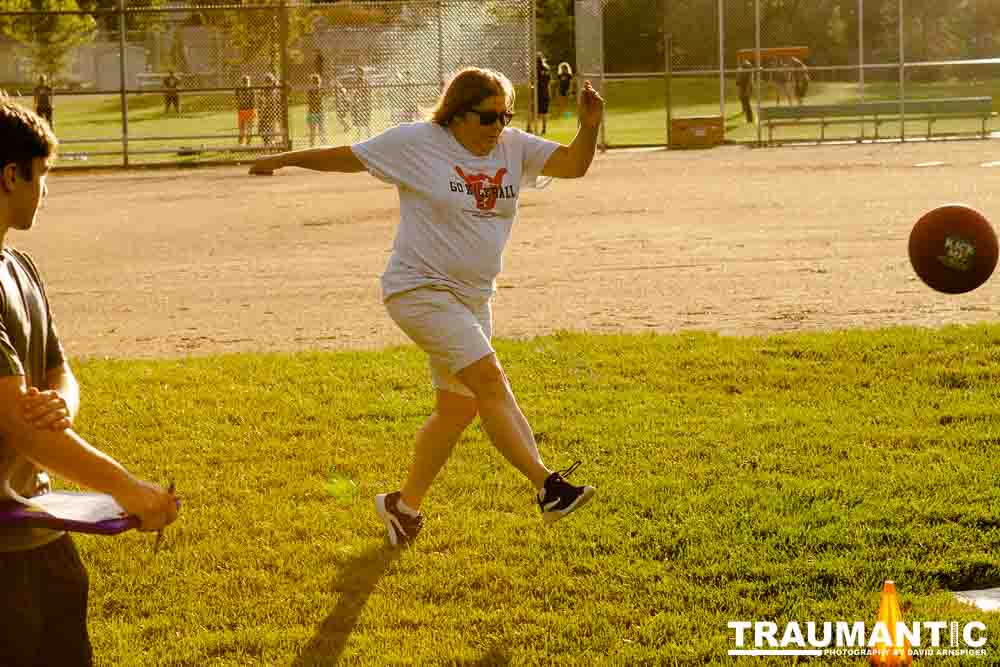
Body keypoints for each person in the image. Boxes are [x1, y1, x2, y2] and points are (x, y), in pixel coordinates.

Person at [248, 67, 603, 546]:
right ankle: (548, 486)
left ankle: (403, 505)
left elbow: (573, 164)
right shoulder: (419, 142)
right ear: (456, 115)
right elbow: (348, 157)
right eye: (487, 117)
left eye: (505, 116)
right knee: (489, 380)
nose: (498, 126)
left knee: (458, 410)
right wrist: (281, 159)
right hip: (419, 290)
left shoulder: (513, 147)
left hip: (473, 298)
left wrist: (590, 125)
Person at [0, 94, 178, 665]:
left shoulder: (19, 267)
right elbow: (19, 426)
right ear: (11, 175)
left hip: (39, 530)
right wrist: (129, 490)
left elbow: (59, 370)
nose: (44, 191)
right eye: (42, 176)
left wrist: (59, 406)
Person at [258, 73, 281, 146]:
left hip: (273, 112)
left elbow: (277, 101)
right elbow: (260, 101)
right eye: (267, 81)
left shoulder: (275, 90)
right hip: (264, 112)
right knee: (261, 129)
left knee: (271, 128)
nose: (268, 83)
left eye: (270, 81)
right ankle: (268, 141)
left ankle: (271, 142)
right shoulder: (263, 90)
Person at [350, 65, 372, 141]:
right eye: (356, 73)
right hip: (358, 104)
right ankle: (359, 138)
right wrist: (354, 101)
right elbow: (353, 93)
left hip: (365, 104)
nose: (357, 74)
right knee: (359, 122)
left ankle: (368, 137)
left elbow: (368, 92)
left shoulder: (365, 81)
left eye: (359, 72)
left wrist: (364, 99)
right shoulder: (355, 82)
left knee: (366, 122)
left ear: (362, 73)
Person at [306, 73, 327, 147]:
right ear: (312, 83)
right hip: (313, 112)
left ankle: (323, 144)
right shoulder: (310, 91)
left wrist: (319, 93)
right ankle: (311, 145)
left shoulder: (321, 89)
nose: (316, 84)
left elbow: (322, 98)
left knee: (321, 130)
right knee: (313, 131)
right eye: (314, 83)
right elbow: (312, 100)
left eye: (317, 82)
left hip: (319, 112)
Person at [235, 75, 256, 146]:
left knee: (247, 128)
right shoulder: (240, 90)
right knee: (243, 129)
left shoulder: (250, 90)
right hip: (244, 110)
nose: (245, 83)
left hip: (248, 110)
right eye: (245, 82)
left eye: (246, 82)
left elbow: (237, 101)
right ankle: (243, 143)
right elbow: (237, 100)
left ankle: (246, 143)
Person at [535, 53, 551, 134]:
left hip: (538, 92)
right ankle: (544, 128)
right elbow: (548, 82)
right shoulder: (547, 68)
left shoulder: (537, 68)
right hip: (546, 92)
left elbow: (534, 81)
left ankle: (536, 128)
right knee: (544, 112)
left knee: (536, 111)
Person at [737, 58, 754, 123]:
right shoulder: (740, 71)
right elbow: (738, 82)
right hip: (743, 86)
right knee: (743, 100)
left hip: (747, 86)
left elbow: (749, 81)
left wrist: (747, 90)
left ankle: (750, 118)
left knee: (746, 101)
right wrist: (739, 91)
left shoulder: (748, 71)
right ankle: (748, 116)